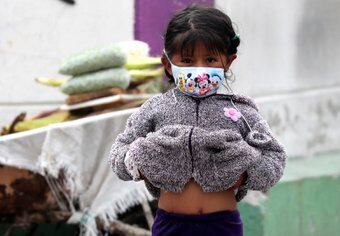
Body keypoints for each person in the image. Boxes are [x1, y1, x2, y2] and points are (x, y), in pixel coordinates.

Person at [108, 4, 286, 236]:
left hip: (222, 226)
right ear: (168, 65)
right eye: (187, 61)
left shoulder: (240, 111)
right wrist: (140, 163)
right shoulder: (155, 109)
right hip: (170, 226)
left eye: (210, 59)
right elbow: (118, 154)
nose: (199, 69)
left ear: (228, 61)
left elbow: (275, 157)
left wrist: (245, 173)